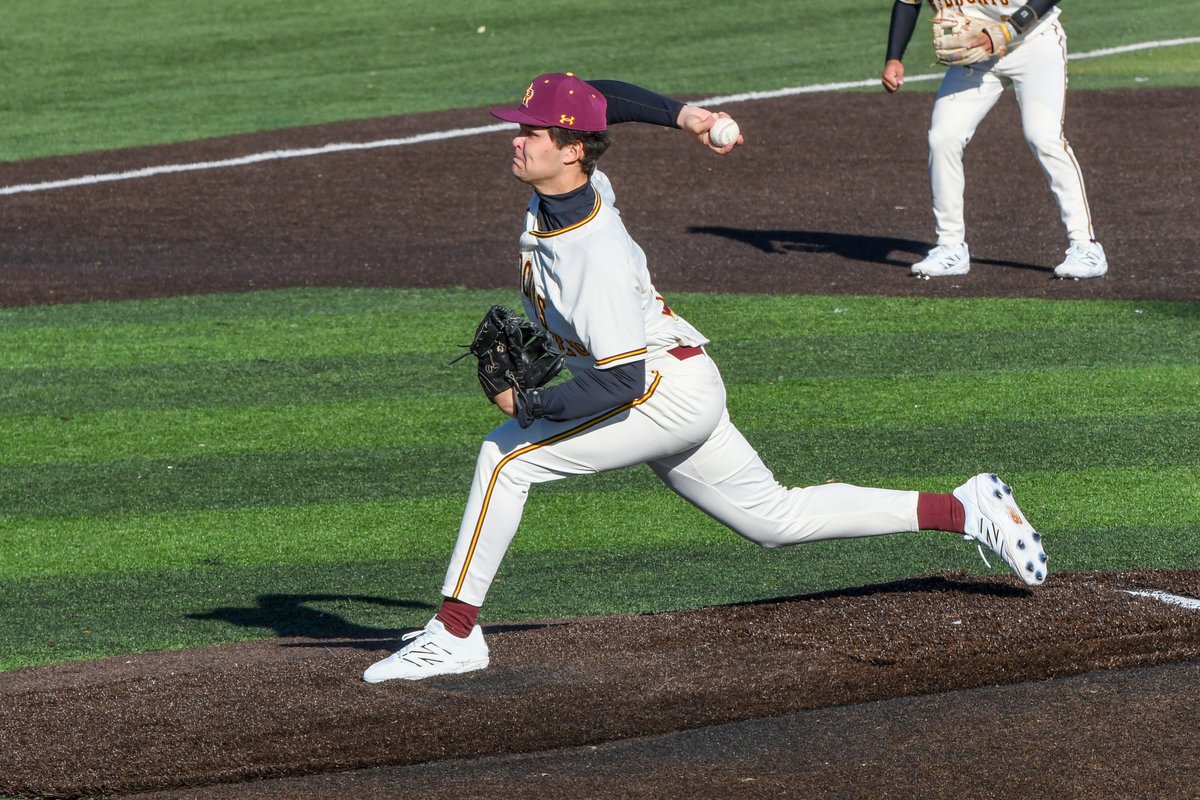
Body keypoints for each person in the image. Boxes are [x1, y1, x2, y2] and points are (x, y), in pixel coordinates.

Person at [363, 73, 1048, 683]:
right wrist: (689, 117)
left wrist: (529, 401)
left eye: (531, 132)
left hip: (661, 393)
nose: (516, 140)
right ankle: (963, 508)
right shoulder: (580, 184)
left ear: (571, 148)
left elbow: (619, 386)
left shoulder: (592, 254)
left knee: (506, 456)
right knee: (773, 521)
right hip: (682, 380)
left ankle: (454, 634)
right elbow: (602, 95)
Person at [881, 0, 1107, 280]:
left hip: (1034, 43)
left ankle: (1086, 246)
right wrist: (894, 57)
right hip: (977, 54)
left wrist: (1009, 29)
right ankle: (950, 247)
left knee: (1043, 137)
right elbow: (907, 3)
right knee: (943, 138)